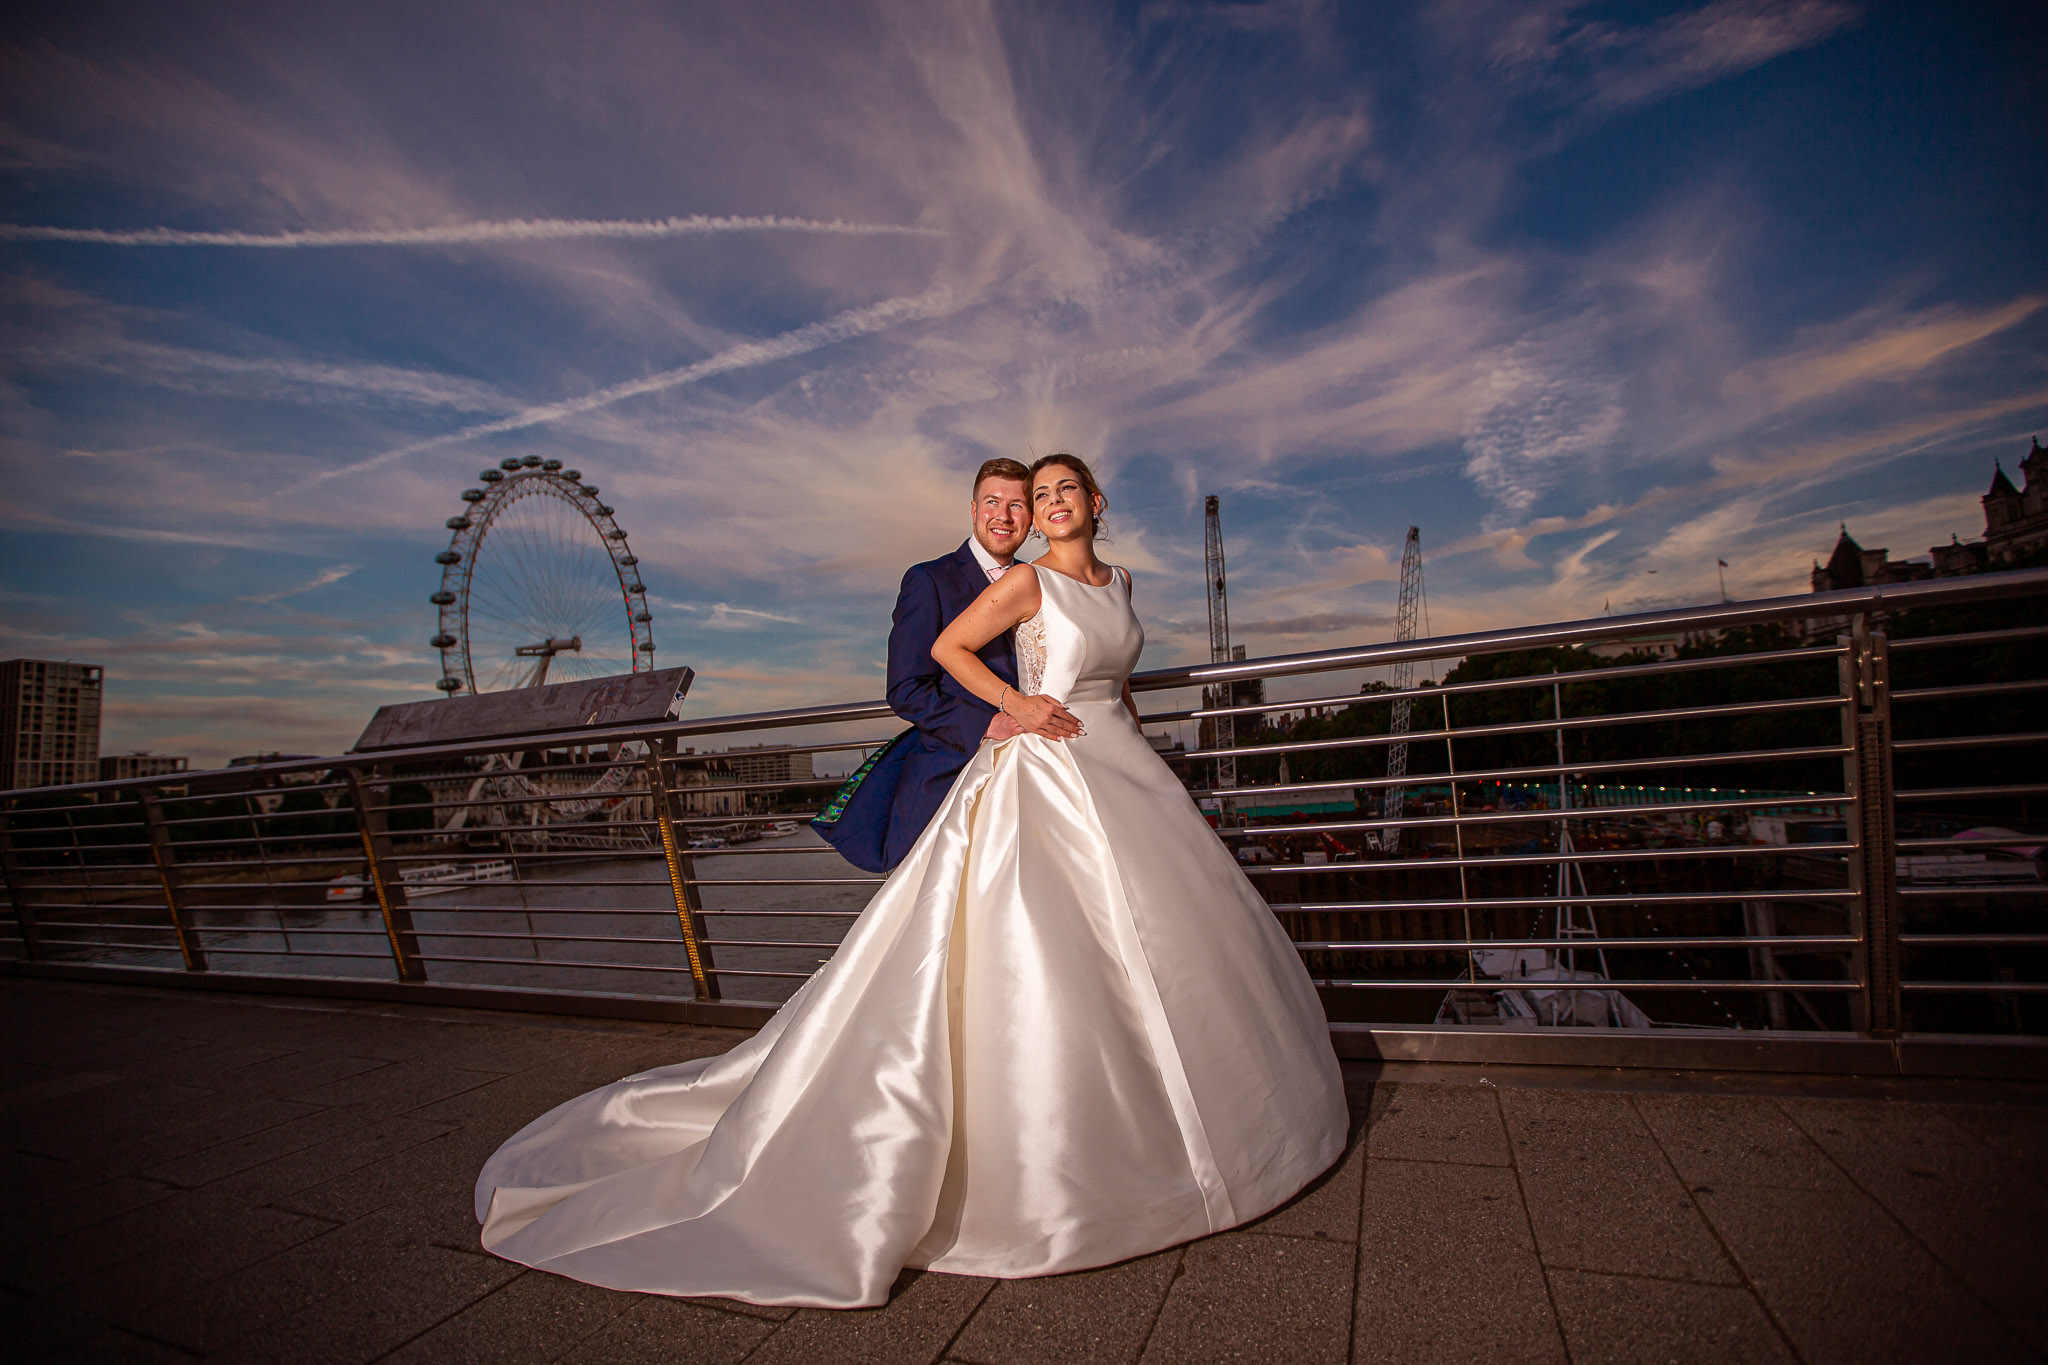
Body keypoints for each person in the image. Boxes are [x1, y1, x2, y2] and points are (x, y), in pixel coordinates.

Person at [475, 454, 1347, 1309]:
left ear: (1092, 500)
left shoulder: (1118, 583)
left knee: (1166, 942)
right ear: (988, 507)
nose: (1036, 507)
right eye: (1021, 497)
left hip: (1124, 772)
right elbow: (929, 663)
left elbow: (1119, 689)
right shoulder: (996, 581)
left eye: (1053, 492)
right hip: (1034, 768)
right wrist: (1014, 710)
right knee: (1023, 951)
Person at [814, 458, 1055, 872]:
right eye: (992, 502)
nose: (1003, 515)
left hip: (1033, 766)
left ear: (1030, 517)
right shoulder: (929, 579)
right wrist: (985, 724)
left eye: (1016, 505)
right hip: (953, 770)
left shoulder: (1043, 582)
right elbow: (906, 688)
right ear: (973, 509)